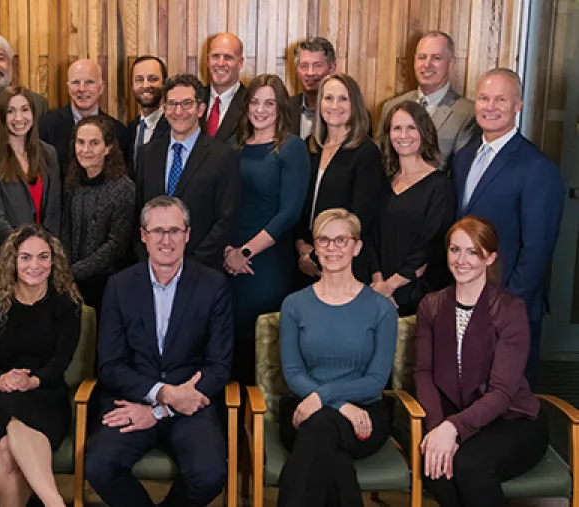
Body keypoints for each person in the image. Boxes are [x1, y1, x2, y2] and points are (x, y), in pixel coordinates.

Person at [85, 196, 233, 507]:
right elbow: (110, 364)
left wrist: (161, 409)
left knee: (209, 474)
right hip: (132, 398)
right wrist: (161, 394)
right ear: (143, 236)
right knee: (99, 465)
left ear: (187, 234)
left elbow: (219, 365)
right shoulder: (119, 286)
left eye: (175, 231)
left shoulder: (213, 286)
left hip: (192, 403)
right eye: (157, 231)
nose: (166, 240)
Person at [415, 216, 548, 507]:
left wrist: (452, 429)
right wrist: (438, 429)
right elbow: (423, 372)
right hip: (450, 416)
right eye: (454, 250)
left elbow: (502, 393)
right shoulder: (431, 306)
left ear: (490, 257)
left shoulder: (510, 310)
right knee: (434, 465)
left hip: (511, 419)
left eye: (472, 251)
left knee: (469, 465)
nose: (461, 260)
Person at [451, 68, 564, 386]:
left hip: (512, 305)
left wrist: (506, 306)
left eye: (501, 99)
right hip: (468, 299)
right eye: (484, 98)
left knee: (510, 402)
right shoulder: (463, 159)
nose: (490, 106)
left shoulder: (537, 168)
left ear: (518, 106)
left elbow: (537, 248)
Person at [277, 208, 397, 507]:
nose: (332, 248)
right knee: (331, 456)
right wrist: (339, 404)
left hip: (365, 415)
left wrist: (324, 397)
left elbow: (376, 380)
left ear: (357, 247)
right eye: (324, 240)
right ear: (314, 248)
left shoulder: (381, 308)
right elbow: (293, 373)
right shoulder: (294, 305)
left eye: (341, 240)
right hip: (304, 409)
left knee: (319, 432)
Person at [0, 223, 82, 507]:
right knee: (11, 421)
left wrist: (32, 381)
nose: (35, 265)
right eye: (26, 257)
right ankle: (54, 502)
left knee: (7, 450)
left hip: (45, 394)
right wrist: (2, 378)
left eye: (43, 256)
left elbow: (59, 364)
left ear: (53, 262)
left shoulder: (67, 305)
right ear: (13, 261)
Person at [223, 74, 309, 386]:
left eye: (269, 103)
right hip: (228, 258)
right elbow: (223, 203)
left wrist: (244, 251)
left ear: (280, 107)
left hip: (265, 259)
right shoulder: (234, 146)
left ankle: (257, 420)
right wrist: (227, 250)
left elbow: (289, 213)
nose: (260, 109)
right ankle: (229, 419)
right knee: (226, 338)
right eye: (255, 102)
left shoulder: (290, 148)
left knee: (257, 337)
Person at [135, 74, 240, 271]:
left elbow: (225, 220)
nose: (178, 111)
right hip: (153, 269)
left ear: (201, 109)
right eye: (172, 104)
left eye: (186, 104)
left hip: (202, 269)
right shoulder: (147, 154)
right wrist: (150, 259)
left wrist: (191, 264)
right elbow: (139, 211)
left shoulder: (223, 157)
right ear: (164, 109)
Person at [295, 73, 384, 284]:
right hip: (304, 260)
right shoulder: (310, 146)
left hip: (343, 261)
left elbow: (360, 217)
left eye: (343, 99)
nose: (334, 105)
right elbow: (299, 203)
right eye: (328, 98)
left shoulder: (366, 152)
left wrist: (317, 255)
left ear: (355, 104)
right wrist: (300, 246)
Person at [371, 100, 457, 316]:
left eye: (411, 128)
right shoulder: (384, 183)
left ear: (424, 132)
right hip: (377, 292)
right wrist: (379, 283)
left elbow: (431, 245)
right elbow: (371, 235)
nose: (403, 135)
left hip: (417, 294)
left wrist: (392, 285)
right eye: (396, 128)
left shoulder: (440, 186)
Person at [0, 85, 61, 258]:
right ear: (0, 116)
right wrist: (27, 250)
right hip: (8, 256)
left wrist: (44, 250)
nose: (19, 117)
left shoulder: (48, 153)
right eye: (10, 111)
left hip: (45, 255)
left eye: (24, 109)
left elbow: (54, 211)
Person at [62, 115, 135, 313]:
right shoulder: (72, 182)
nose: (85, 150)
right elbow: (66, 229)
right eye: (80, 142)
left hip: (107, 284)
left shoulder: (123, 187)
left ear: (108, 147)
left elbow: (116, 245)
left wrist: (74, 271)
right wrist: (66, 268)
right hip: (72, 283)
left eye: (94, 143)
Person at [377, 31, 478, 173]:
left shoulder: (467, 113)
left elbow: (461, 173)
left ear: (451, 63)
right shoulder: (390, 107)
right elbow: (379, 161)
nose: (427, 64)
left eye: (436, 58)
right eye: (422, 57)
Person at [38, 59, 130, 174]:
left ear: (101, 88)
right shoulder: (46, 127)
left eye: (89, 82)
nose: (82, 89)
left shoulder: (119, 132)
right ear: (68, 88)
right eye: (76, 82)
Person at [201, 33, 247, 142]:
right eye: (215, 56)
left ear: (240, 63)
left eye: (228, 57)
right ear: (208, 61)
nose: (220, 63)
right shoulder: (194, 99)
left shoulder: (251, 104)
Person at [128, 55, 170, 172]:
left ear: (164, 83)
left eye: (152, 79)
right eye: (139, 80)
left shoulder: (174, 127)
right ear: (132, 86)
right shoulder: (131, 128)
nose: (146, 85)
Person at [288, 37, 337, 138]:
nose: (310, 73)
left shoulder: (347, 112)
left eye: (317, 66)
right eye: (304, 66)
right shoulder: (284, 109)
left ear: (332, 68)